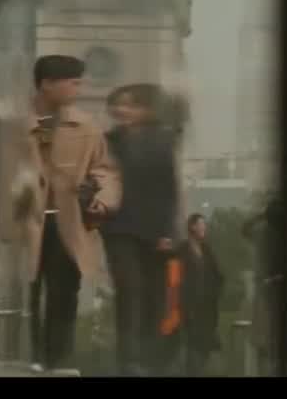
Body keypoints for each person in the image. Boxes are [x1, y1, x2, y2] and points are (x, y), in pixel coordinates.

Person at [3, 55, 121, 376]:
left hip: (68, 222)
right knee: (28, 291)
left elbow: (106, 171)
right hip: (27, 222)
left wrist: (102, 201)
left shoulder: (85, 127)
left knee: (64, 293)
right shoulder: (16, 124)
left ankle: (57, 360)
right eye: (72, 83)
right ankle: (32, 356)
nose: (77, 89)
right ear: (47, 84)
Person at [101, 83, 183, 376]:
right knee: (128, 290)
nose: (122, 110)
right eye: (118, 104)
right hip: (119, 228)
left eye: (130, 104)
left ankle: (150, 358)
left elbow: (169, 190)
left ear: (146, 110)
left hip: (154, 231)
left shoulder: (162, 141)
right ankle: (129, 360)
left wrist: (167, 233)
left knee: (153, 295)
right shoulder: (107, 142)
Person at [181, 213, 224, 375]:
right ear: (192, 227)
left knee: (205, 347)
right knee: (193, 349)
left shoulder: (207, 250)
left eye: (204, 225)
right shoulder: (182, 250)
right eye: (201, 224)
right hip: (190, 308)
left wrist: (214, 292)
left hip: (207, 309)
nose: (204, 228)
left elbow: (218, 275)